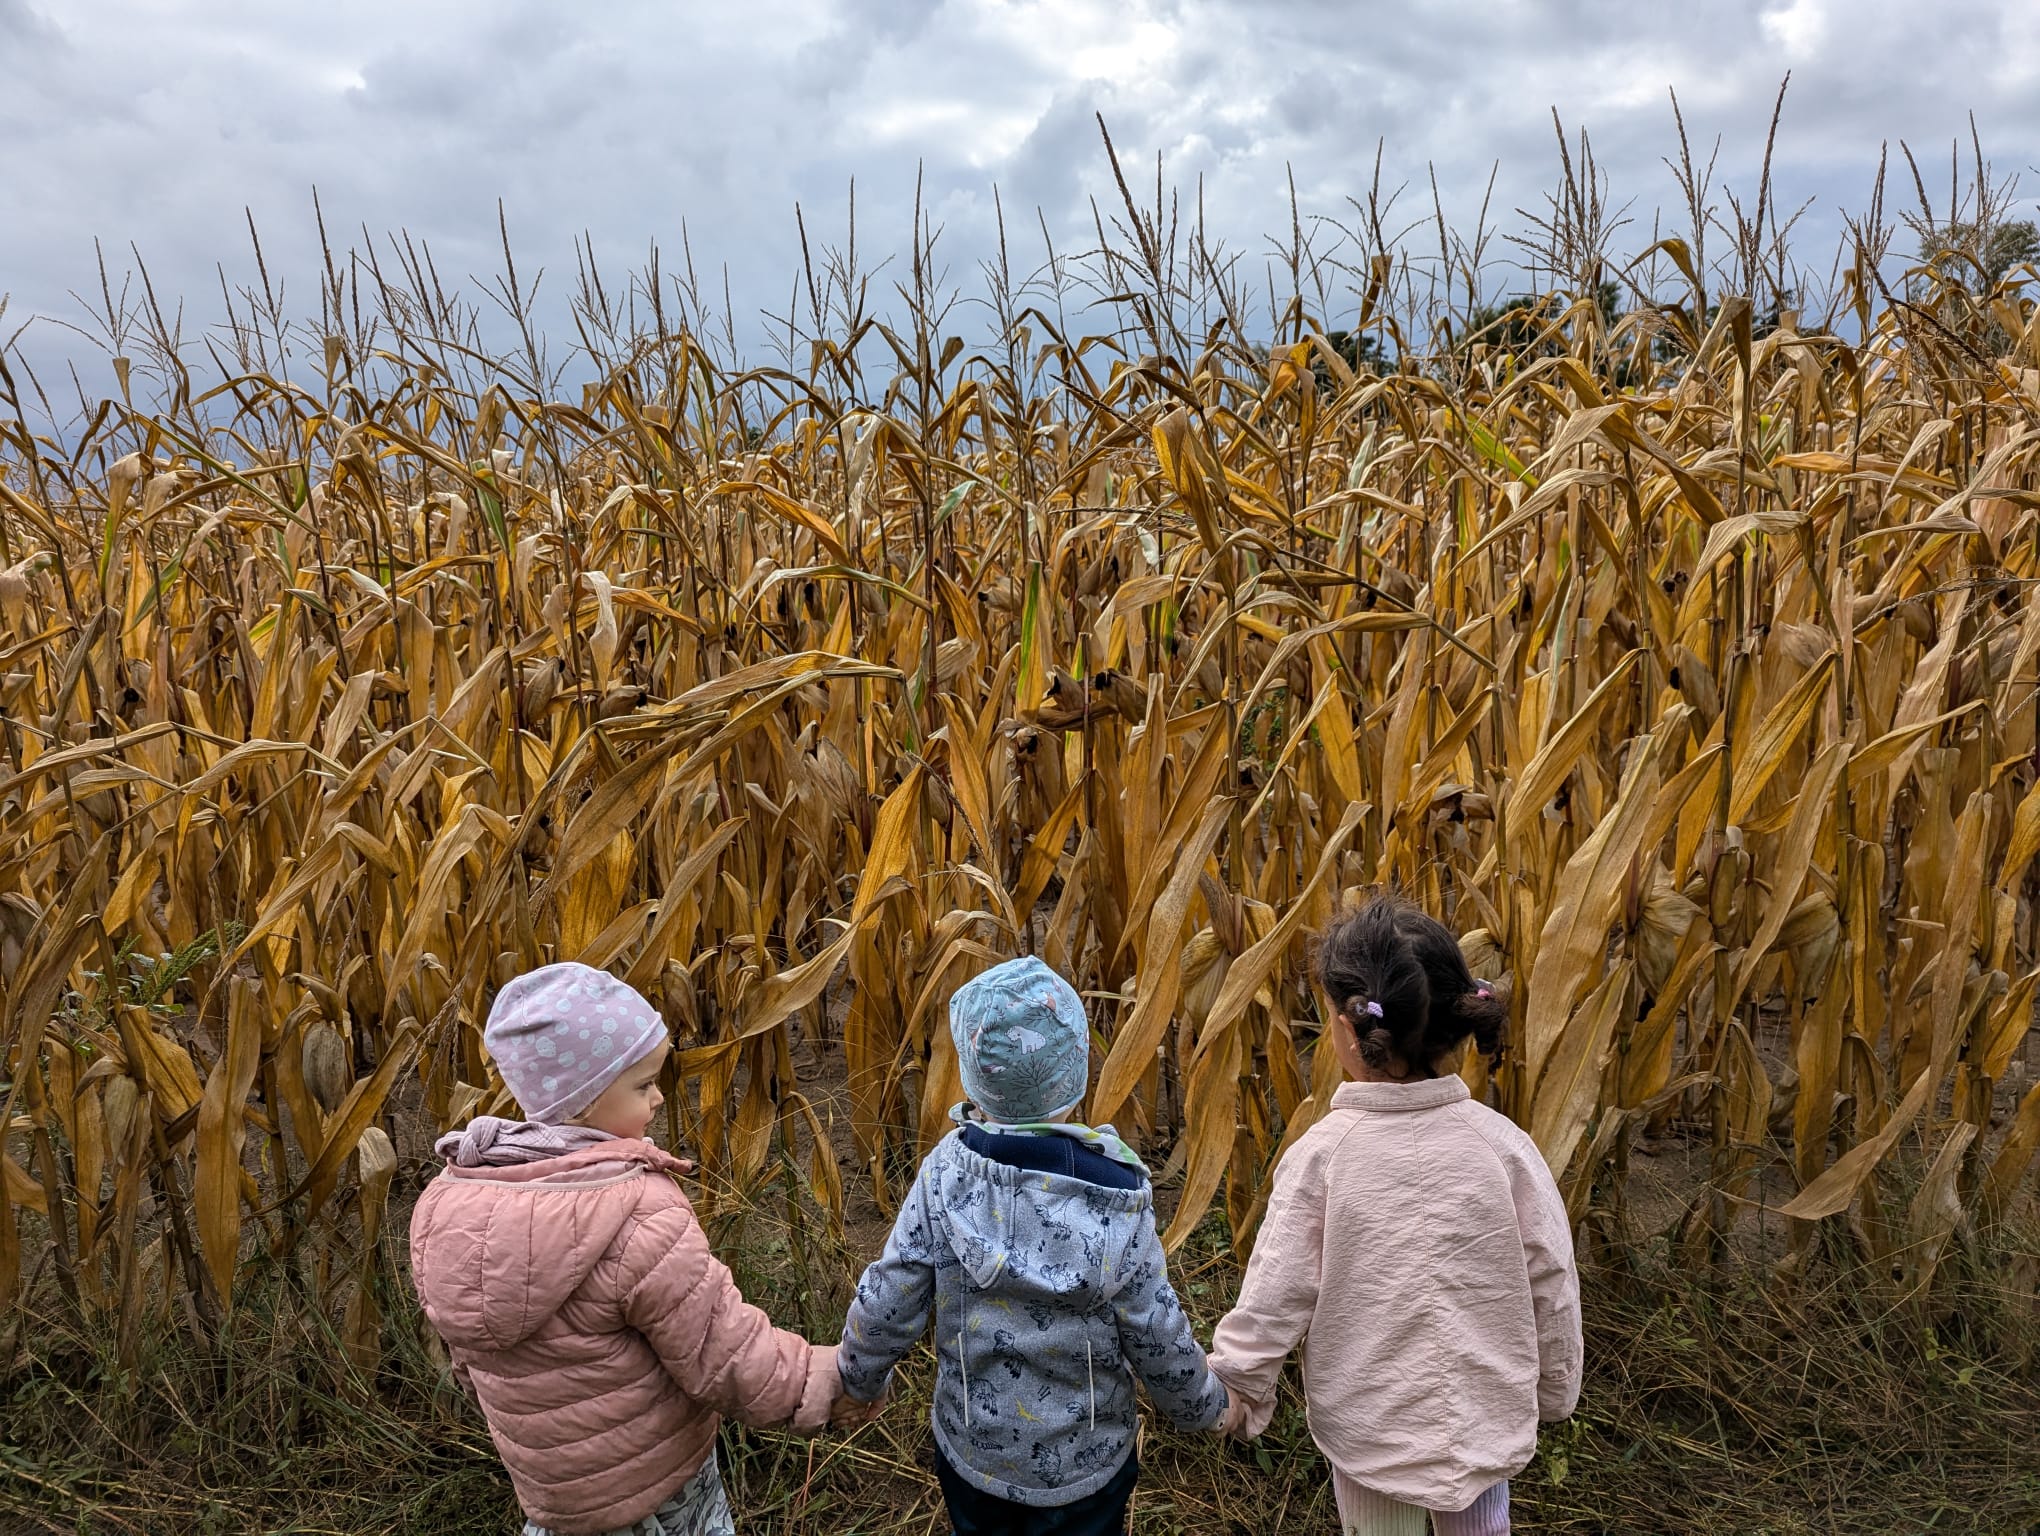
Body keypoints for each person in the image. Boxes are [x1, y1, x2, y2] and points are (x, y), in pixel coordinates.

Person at [408, 962, 844, 1536]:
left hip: (556, 1499)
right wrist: (822, 1380)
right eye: (642, 1085)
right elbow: (721, 1347)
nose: (660, 1098)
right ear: (585, 1101)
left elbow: (470, 1361)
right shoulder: (636, 1215)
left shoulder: (450, 1205)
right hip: (658, 1485)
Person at [1206, 900, 1582, 1536]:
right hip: (1482, 1414)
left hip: (1371, 1427)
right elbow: (1551, 1278)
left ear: (1352, 1034)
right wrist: (1554, 1388)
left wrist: (1238, 1387)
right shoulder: (1506, 1148)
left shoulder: (1322, 1158)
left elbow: (1277, 1290)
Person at [834, 955, 1240, 1535]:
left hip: (974, 1461)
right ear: (1075, 1074)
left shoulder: (943, 1174)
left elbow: (889, 1297)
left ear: (975, 1080)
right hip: (1089, 1470)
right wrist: (1209, 1408)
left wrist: (856, 1381)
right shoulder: (1118, 1198)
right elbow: (1157, 1332)